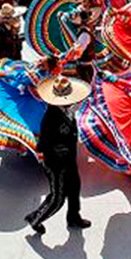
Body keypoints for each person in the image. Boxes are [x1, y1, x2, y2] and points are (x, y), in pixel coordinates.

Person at [25, 75, 92, 234]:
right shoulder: (51, 118)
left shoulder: (66, 110)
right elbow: (46, 144)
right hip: (56, 164)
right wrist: (61, 154)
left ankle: (73, 217)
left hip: (69, 159)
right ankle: (35, 218)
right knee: (58, 198)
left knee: (74, 188)